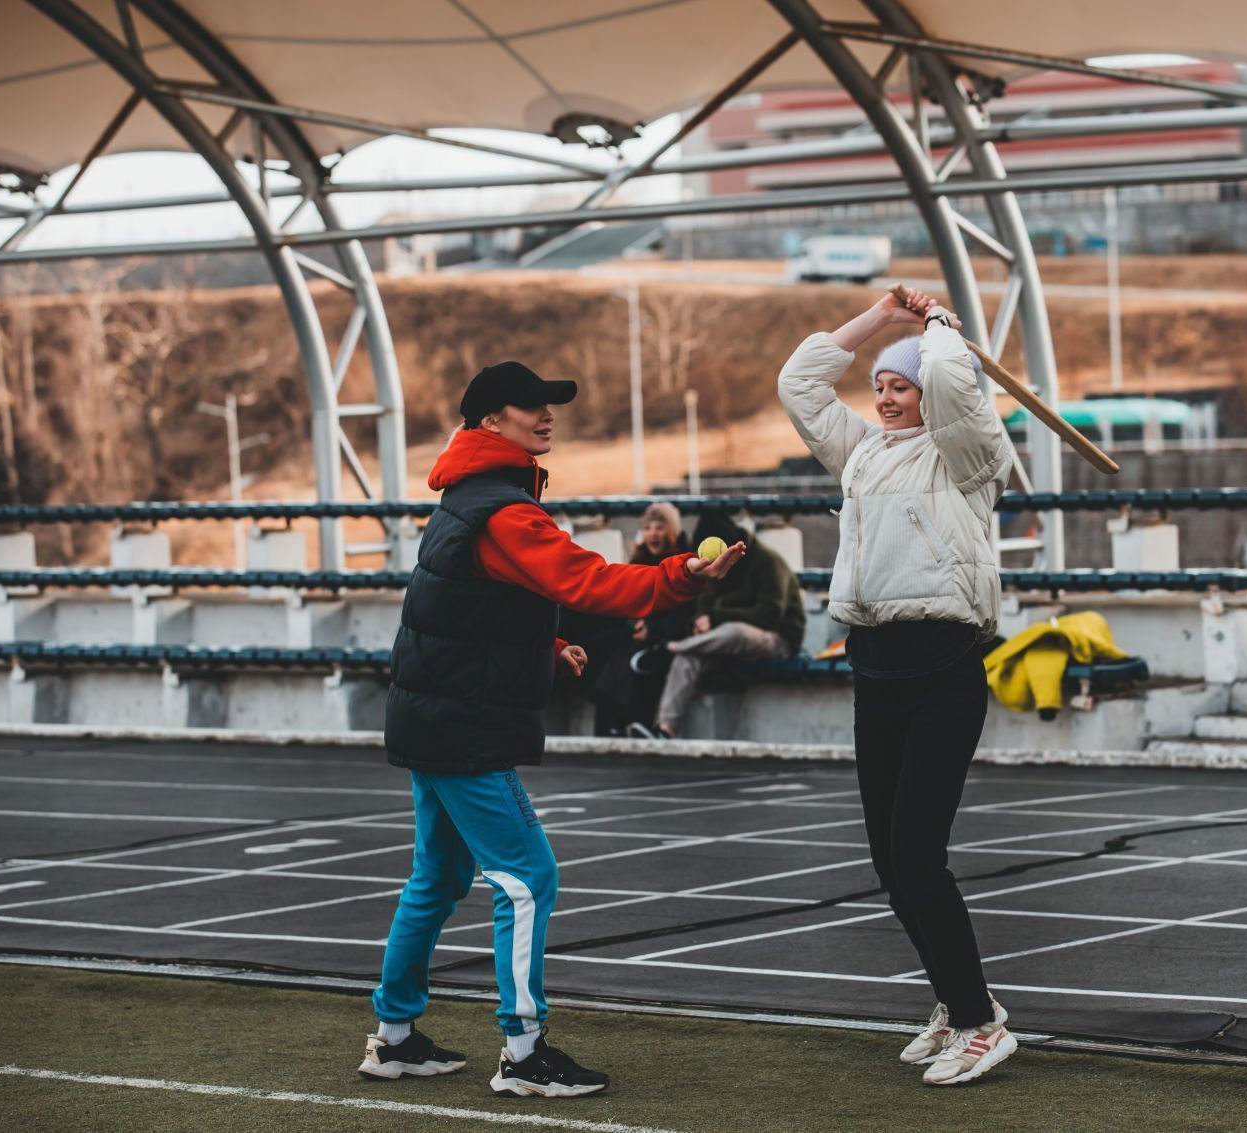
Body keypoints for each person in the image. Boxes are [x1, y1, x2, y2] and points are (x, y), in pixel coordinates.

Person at [361, 360, 745, 1096]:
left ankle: (396, 1037)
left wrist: (545, 645)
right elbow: (589, 581)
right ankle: (524, 1052)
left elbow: (463, 607)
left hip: (432, 715)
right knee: (529, 878)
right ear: (489, 421)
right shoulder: (504, 510)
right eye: (529, 404)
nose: (546, 415)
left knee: (437, 878)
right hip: (464, 725)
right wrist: (683, 577)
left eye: (550, 404)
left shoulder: (465, 499)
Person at [777, 289, 1018, 1087]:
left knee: (918, 856)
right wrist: (882, 318)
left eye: (900, 386)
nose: (884, 398)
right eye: (879, 385)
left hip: (944, 668)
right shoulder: (862, 453)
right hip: (874, 667)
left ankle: (981, 1024)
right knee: (890, 861)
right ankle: (957, 998)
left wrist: (940, 325)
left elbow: (953, 384)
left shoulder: (968, 455)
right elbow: (799, 382)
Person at [648, 508, 807, 738]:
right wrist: (701, 620)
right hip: (722, 642)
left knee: (735, 632)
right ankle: (665, 728)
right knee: (688, 658)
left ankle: (671, 647)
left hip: (777, 639)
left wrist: (716, 618)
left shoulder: (768, 562)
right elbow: (704, 602)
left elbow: (770, 615)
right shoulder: (713, 565)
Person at [589, 502, 697, 736]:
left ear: (671, 531)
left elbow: (684, 609)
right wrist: (634, 623)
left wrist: (651, 629)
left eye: (659, 527)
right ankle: (610, 728)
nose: (653, 534)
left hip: (667, 637)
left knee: (633, 662)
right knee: (603, 647)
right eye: (648, 528)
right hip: (639, 632)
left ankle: (633, 724)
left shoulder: (682, 562)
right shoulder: (639, 559)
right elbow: (625, 597)